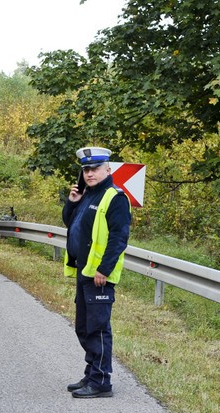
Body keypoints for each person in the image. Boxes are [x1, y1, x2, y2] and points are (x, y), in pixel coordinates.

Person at [62, 146, 131, 399]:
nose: (90, 174)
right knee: (83, 327)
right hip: (84, 271)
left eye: (95, 169)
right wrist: (71, 204)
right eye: (86, 170)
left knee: (98, 329)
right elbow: (70, 224)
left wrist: (104, 268)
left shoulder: (115, 198)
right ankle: (91, 373)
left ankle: (101, 381)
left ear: (107, 169)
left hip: (99, 275)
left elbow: (119, 237)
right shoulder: (87, 195)